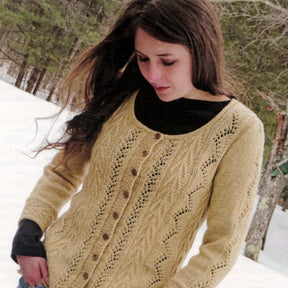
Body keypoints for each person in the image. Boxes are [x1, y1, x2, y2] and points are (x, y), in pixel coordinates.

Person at [11, 0, 265, 287]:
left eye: (167, 61)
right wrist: (28, 234)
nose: (153, 74)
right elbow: (63, 172)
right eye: (143, 58)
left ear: (201, 50)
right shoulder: (122, 95)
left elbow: (222, 247)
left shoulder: (239, 130)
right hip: (45, 278)